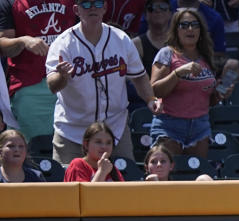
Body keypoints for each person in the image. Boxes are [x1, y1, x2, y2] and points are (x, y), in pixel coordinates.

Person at [46, 0, 159, 164]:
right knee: (66, 186)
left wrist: (150, 99)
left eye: (97, 3)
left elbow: (139, 76)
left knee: (125, 182)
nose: (92, 7)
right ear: (76, 10)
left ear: (105, 8)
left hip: (115, 129)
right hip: (73, 130)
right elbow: (52, 85)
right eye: (86, 4)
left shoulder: (121, 39)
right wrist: (62, 76)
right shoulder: (63, 43)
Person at [0, 0, 76, 141]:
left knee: (71, 147)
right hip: (31, 88)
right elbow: (3, 47)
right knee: (32, 150)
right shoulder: (10, 2)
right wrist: (23, 41)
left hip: (71, 83)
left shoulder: (72, 2)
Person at [149, 8, 221, 157]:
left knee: (195, 176)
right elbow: (154, 90)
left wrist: (218, 95)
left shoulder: (207, 56)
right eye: (184, 25)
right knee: (169, 178)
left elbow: (209, 100)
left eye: (195, 25)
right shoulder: (167, 53)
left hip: (200, 126)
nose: (190, 29)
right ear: (176, 29)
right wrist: (178, 72)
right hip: (170, 125)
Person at [134, 0, 171, 74]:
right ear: (145, 15)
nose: (158, 10)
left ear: (170, 13)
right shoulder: (136, 44)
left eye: (163, 7)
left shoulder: (179, 41)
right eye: (152, 7)